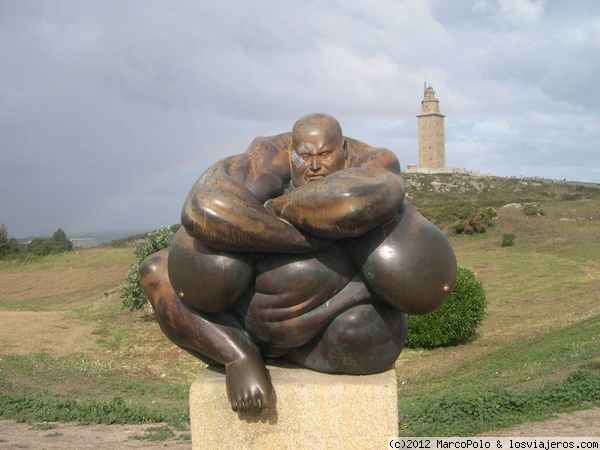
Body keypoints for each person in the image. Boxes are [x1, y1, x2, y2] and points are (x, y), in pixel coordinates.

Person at [140, 113, 456, 413]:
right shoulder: (262, 162)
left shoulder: (376, 168)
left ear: (344, 151)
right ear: (291, 154)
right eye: (305, 157)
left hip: (327, 329)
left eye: (325, 155)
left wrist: (271, 212)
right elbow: (204, 205)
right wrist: (295, 232)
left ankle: (292, 352)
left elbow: (351, 202)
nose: (315, 166)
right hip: (241, 327)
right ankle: (238, 355)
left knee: (361, 332)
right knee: (158, 273)